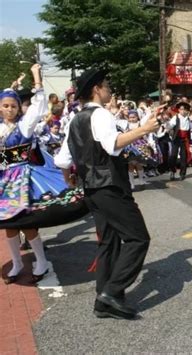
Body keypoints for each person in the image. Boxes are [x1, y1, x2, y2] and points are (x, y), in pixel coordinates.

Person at [54, 68, 159, 320]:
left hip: (91, 189)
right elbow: (112, 145)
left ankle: (104, 298)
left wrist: (70, 178)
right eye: (106, 85)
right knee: (137, 238)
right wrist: (144, 129)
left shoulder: (75, 119)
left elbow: (63, 160)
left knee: (109, 242)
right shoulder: (100, 114)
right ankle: (111, 293)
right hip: (110, 186)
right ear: (96, 90)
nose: (109, 89)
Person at [1, 64, 87, 284]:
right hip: (5, 179)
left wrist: (36, 77)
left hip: (24, 178)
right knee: (8, 226)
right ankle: (17, 262)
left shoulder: (25, 126)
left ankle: (40, 261)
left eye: (13, 106)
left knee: (27, 223)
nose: (9, 109)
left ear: (19, 108)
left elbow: (38, 106)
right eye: (5, 106)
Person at [166, 101, 192, 181]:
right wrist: (167, 125)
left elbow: (189, 129)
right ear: (179, 110)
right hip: (176, 138)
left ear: (187, 111)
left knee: (184, 157)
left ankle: (182, 173)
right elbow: (170, 125)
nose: (183, 111)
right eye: (181, 109)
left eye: (184, 109)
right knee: (173, 155)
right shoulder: (176, 117)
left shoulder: (188, 118)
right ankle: (172, 171)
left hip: (184, 140)